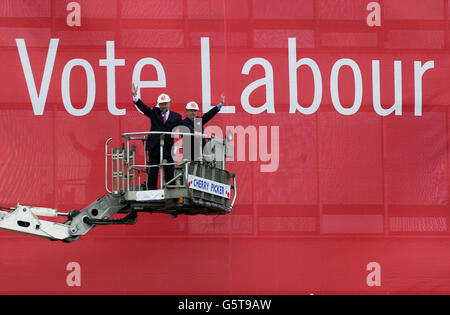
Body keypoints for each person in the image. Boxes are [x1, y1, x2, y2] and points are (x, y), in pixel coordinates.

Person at [131, 83, 182, 190]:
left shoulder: (177, 116)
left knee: (169, 170)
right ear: (158, 104)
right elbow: (144, 108)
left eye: (165, 103)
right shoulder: (154, 112)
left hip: (168, 147)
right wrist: (135, 97)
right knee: (153, 170)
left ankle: (172, 191)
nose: (163, 106)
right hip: (154, 146)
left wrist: (195, 131)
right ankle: (151, 191)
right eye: (161, 104)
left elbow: (183, 128)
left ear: (169, 103)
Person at [181, 94, 224, 161]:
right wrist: (196, 133)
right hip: (190, 154)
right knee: (190, 171)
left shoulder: (198, 120)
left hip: (201, 152)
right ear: (187, 111)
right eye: (191, 110)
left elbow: (208, 115)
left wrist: (219, 105)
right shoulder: (183, 123)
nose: (193, 112)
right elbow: (188, 130)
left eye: (195, 111)